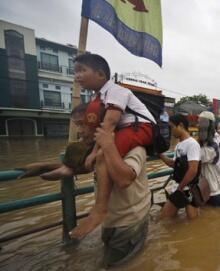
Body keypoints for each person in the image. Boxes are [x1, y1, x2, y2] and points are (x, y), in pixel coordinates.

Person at [69, 54, 155, 239]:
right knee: (100, 153)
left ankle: (99, 210)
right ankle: (100, 210)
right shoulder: (98, 97)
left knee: (102, 156)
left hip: (140, 127)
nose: (77, 76)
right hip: (126, 129)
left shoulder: (115, 91)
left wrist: (94, 153)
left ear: (100, 74)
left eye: (82, 70)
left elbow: (108, 125)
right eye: (75, 72)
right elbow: (101, 130)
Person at [89, 126, 151, 267]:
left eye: (82, 124)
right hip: (110, 221)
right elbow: (83, 165)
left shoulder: (134, 149)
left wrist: (108, 145)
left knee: (119, 266)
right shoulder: (98, 151)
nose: (80, 130)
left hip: (127, 223)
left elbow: (124, 179)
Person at [17, 103, 94, 179]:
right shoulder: (89, 148)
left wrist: (45, 167)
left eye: (83, 124)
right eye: (77, 125)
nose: (79, 131)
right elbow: (76, 167)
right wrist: (43, 166)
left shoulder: (101, 149)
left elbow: (84, 168)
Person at [159, 114, 200, 219]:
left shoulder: (192, 144)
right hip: (180, 187)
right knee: (168, 218)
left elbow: (193, 170)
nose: (171, 130)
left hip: (186, 187)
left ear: (180, 125)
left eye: (172, 127)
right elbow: (174, 164)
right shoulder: (179, 145)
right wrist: (160, 154)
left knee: (165, 219)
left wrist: (180, 188)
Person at [197, 111, 220, 206]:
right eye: (199, 122)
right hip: (211, 188)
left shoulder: (214, 142)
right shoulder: (209, 139)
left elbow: (200, 157)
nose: (199, 125)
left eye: (202, 122)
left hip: (216, 192)